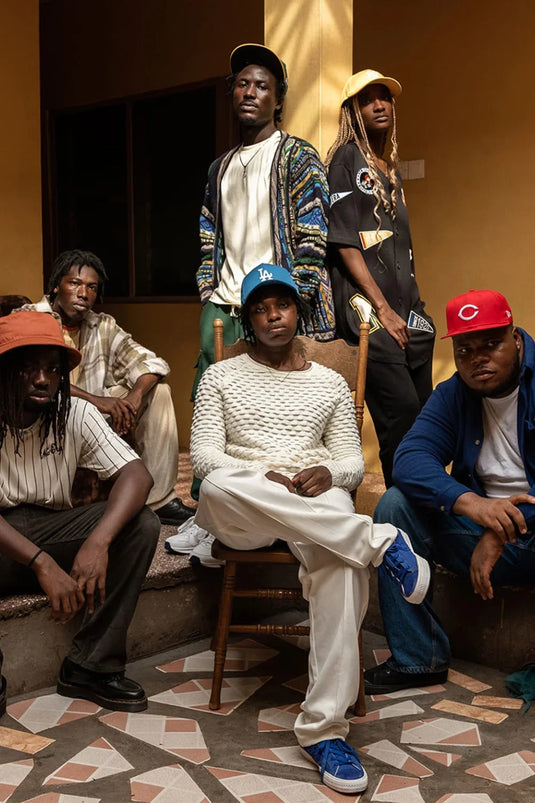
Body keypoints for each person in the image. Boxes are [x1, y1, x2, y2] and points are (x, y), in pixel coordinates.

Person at [190, 263, 430, 795]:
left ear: (299, 311)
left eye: (282, 305)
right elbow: (205, 459)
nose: (273, 315)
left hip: (313, 502)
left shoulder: (329, 384)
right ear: (248, 320)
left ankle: (324, 731)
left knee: (340, 563)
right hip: (245, 504)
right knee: (215, 488)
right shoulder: (220, 376)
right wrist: (260, 476)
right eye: (259, 308)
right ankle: (379, 541)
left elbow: (349, 463)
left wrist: (329, 473)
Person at [365, 289, 535, 694]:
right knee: (394, 506)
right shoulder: (454, 392)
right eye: (465, 349)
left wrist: (502, 529)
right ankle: (418, 659)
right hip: (478, 528)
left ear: (515, 338)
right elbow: (410, 457)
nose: (479, 358)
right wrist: (474, 506)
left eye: (491, 344)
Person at [0, 311, 160, 713]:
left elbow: (137, 476)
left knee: (141, 524)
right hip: (4, 539)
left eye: (52, 370)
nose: (42, 379)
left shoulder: (74, 412)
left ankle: (90, 666)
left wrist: (97, 543)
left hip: (54, 527)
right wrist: (42, 564)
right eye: (28, 369)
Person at [18, 249, 194, 525]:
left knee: (158, 391)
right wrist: (99, 401)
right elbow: (26, 379)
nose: (83, 293)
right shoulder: (30, 317)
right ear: (55, 286)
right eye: (74, 283)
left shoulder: (102, 326)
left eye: (91, 287)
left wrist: (134, 398)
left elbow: (152, 363)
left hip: (92, 422)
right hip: (42, 413)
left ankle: (159, 500)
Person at [325, 69, 435, 487]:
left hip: (409, 310)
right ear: (353, 110)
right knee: (401, 414)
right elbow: (345, 243)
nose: (379, 104)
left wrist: (412, 308)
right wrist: (385, 311)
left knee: (426, 415)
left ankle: (424, 502)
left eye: (385, 98)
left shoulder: (390, 168)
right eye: (368, 99)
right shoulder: (345, 159)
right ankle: (399, 514)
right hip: (369, 313)